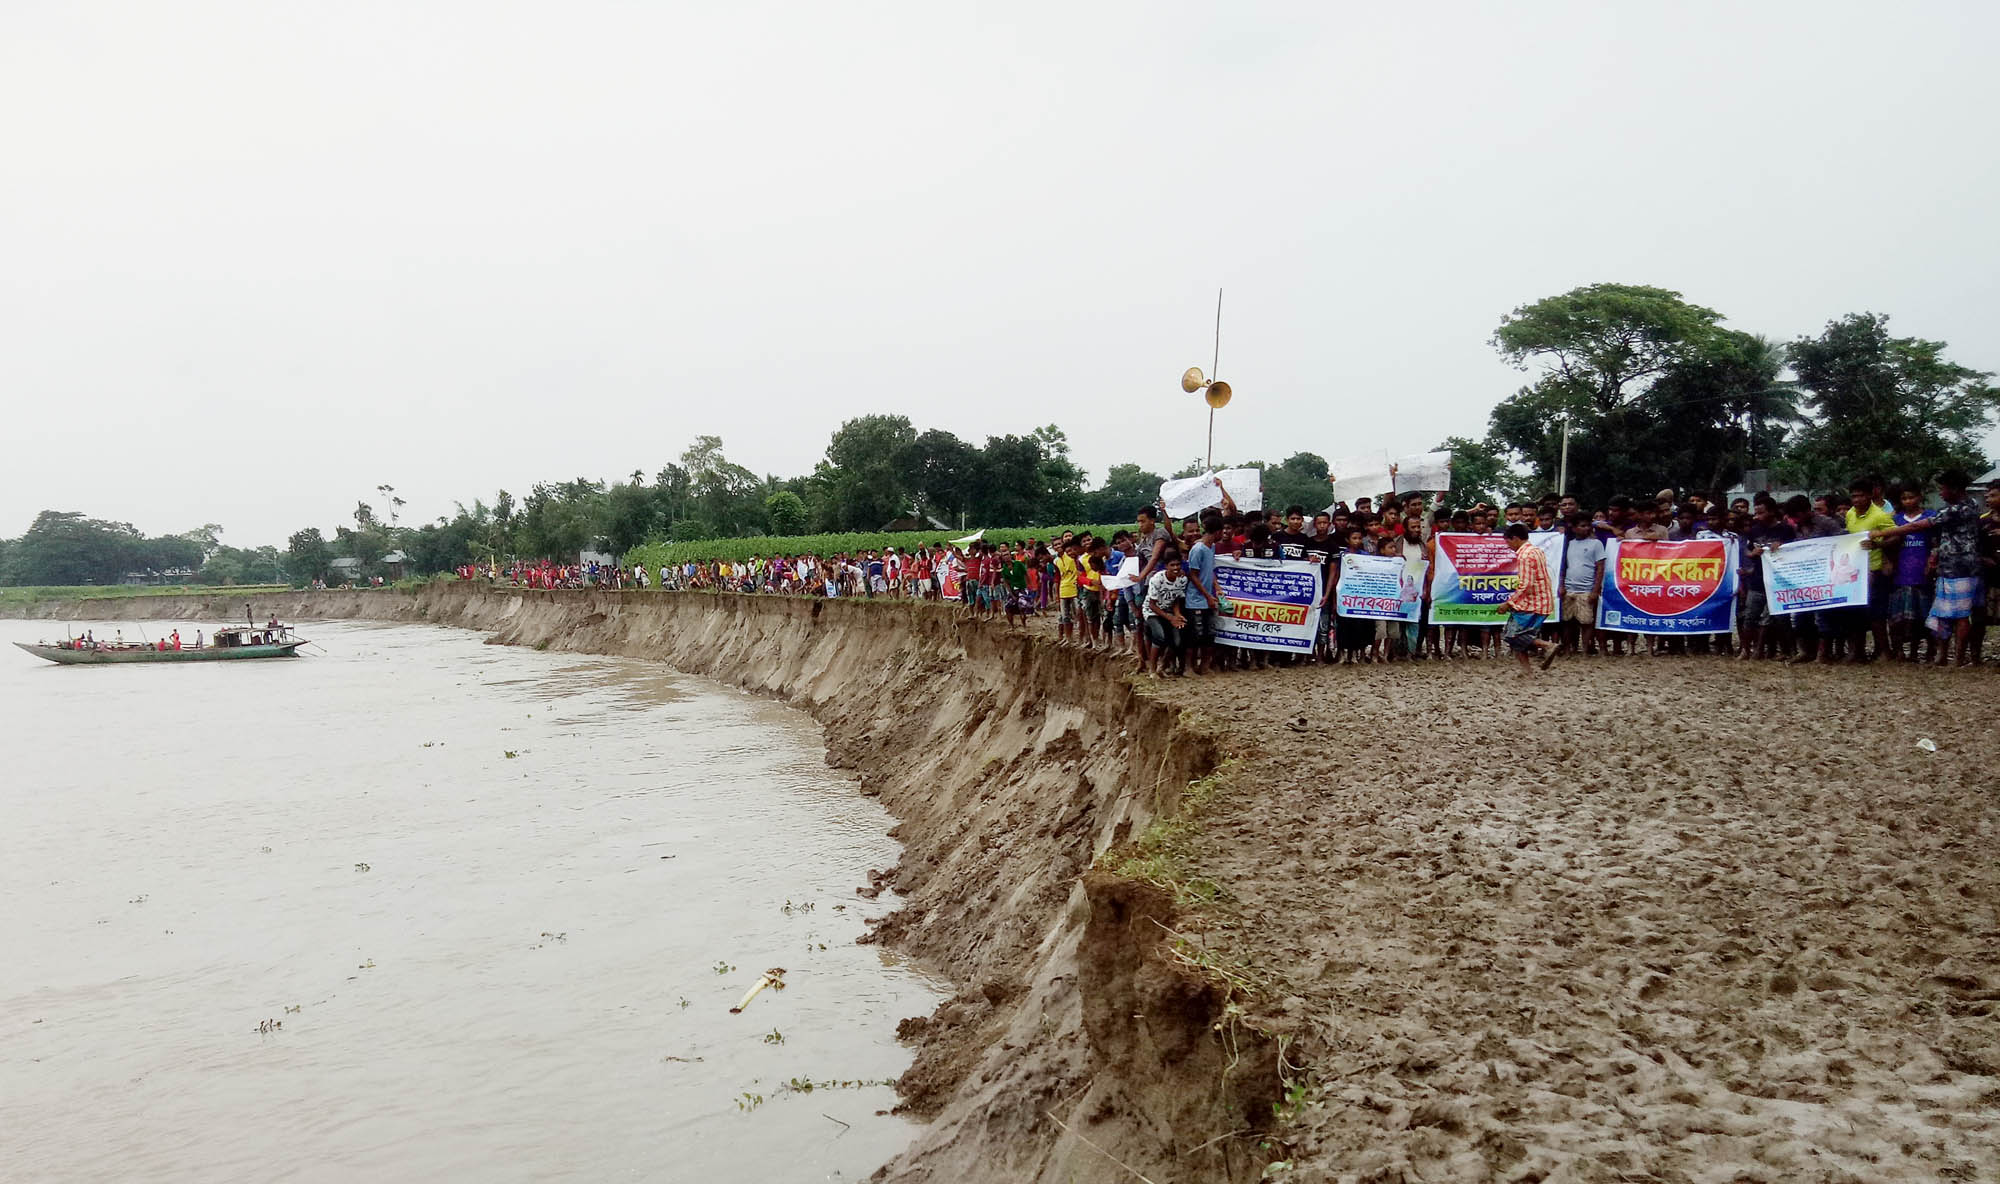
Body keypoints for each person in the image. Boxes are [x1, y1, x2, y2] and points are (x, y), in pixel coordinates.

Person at [1871, 468, 1983, 666]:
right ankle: (1943, 656)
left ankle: (1956, 659)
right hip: (1948, 566)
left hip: (1960, 567)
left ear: (1955, 489)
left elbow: (1918, 526)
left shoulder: (1958, 509)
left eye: (1943, 488)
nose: (1940, 492)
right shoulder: (1972, 504)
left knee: (1961, 614)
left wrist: (1882, 533)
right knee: (1943, 612)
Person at [1497, 523, 1559, 672]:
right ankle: (1527, 670)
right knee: (1518, 638)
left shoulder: (1524, 555)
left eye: (1508, 541)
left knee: (1512, 636)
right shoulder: (1536, 551)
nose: (1508, 545)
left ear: (1515, 538)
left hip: (1531, 604)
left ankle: (1548, 646)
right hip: (1541, 601)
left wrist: (1508, 603)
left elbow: (1526, 585)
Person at [1846, 478, 1896, 662]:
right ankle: (1857, 652)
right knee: (1856, 613)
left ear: (1869, 495)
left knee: (1877, 614)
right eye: (1853, 496)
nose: (1856, 499)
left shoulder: (1880, 515)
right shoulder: (1850, 514)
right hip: (1855, 571)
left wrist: (1878, 545)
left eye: (1860, 495)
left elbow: (1896, 536)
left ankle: (1884, 651)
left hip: (1875, 569)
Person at [1560, 513, 1604, 655]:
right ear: (1573, 528)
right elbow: (1563, 566)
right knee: (1567, 621)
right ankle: (1568, 649)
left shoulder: (1596, 544)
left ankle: (1585, 650)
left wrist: (1595, 590)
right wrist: (1562, 585)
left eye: (1587, 525)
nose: (1586, 528)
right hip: (1569, 588)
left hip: (1587, 589)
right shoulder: (1568, 543)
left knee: (1586, 622)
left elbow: (1600, 568)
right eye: (1582, 526)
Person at [1142, 551, 1189, 676]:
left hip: (1169, 610)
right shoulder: (1157, 579)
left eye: (1178, 565)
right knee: (1159, 636)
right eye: (1172, 565)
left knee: (1177, 640)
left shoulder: (1182, 579)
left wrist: (1177, 614)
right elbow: (1152, 604)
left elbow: (1176, 599)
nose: (1176, 568)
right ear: (1166, 566)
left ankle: (1162, 665)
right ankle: (1152, 670)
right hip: (1152, 611)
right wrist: (1170, 618)